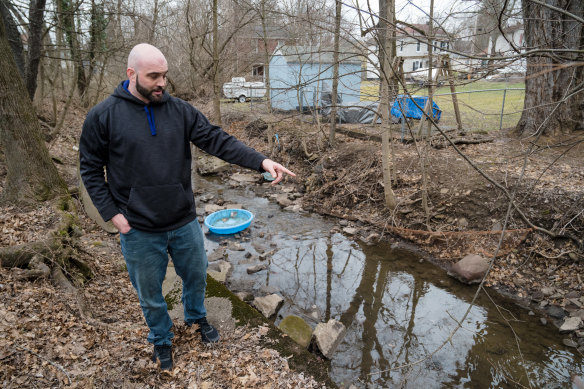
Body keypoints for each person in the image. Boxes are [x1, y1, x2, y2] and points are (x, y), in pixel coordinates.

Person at [79, 43, 295, 371]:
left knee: (195, 277)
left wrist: (261, 160)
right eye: (153, 76)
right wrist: (114, 215)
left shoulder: (179, 110)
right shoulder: (103, 116)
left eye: (165, 75)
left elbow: (217, 140)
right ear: (131, 74)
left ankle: (196, 319)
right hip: (137, 228)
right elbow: (90, 170)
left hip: (183, 221)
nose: (161, 83)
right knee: (150, 293)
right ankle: (161, 339)